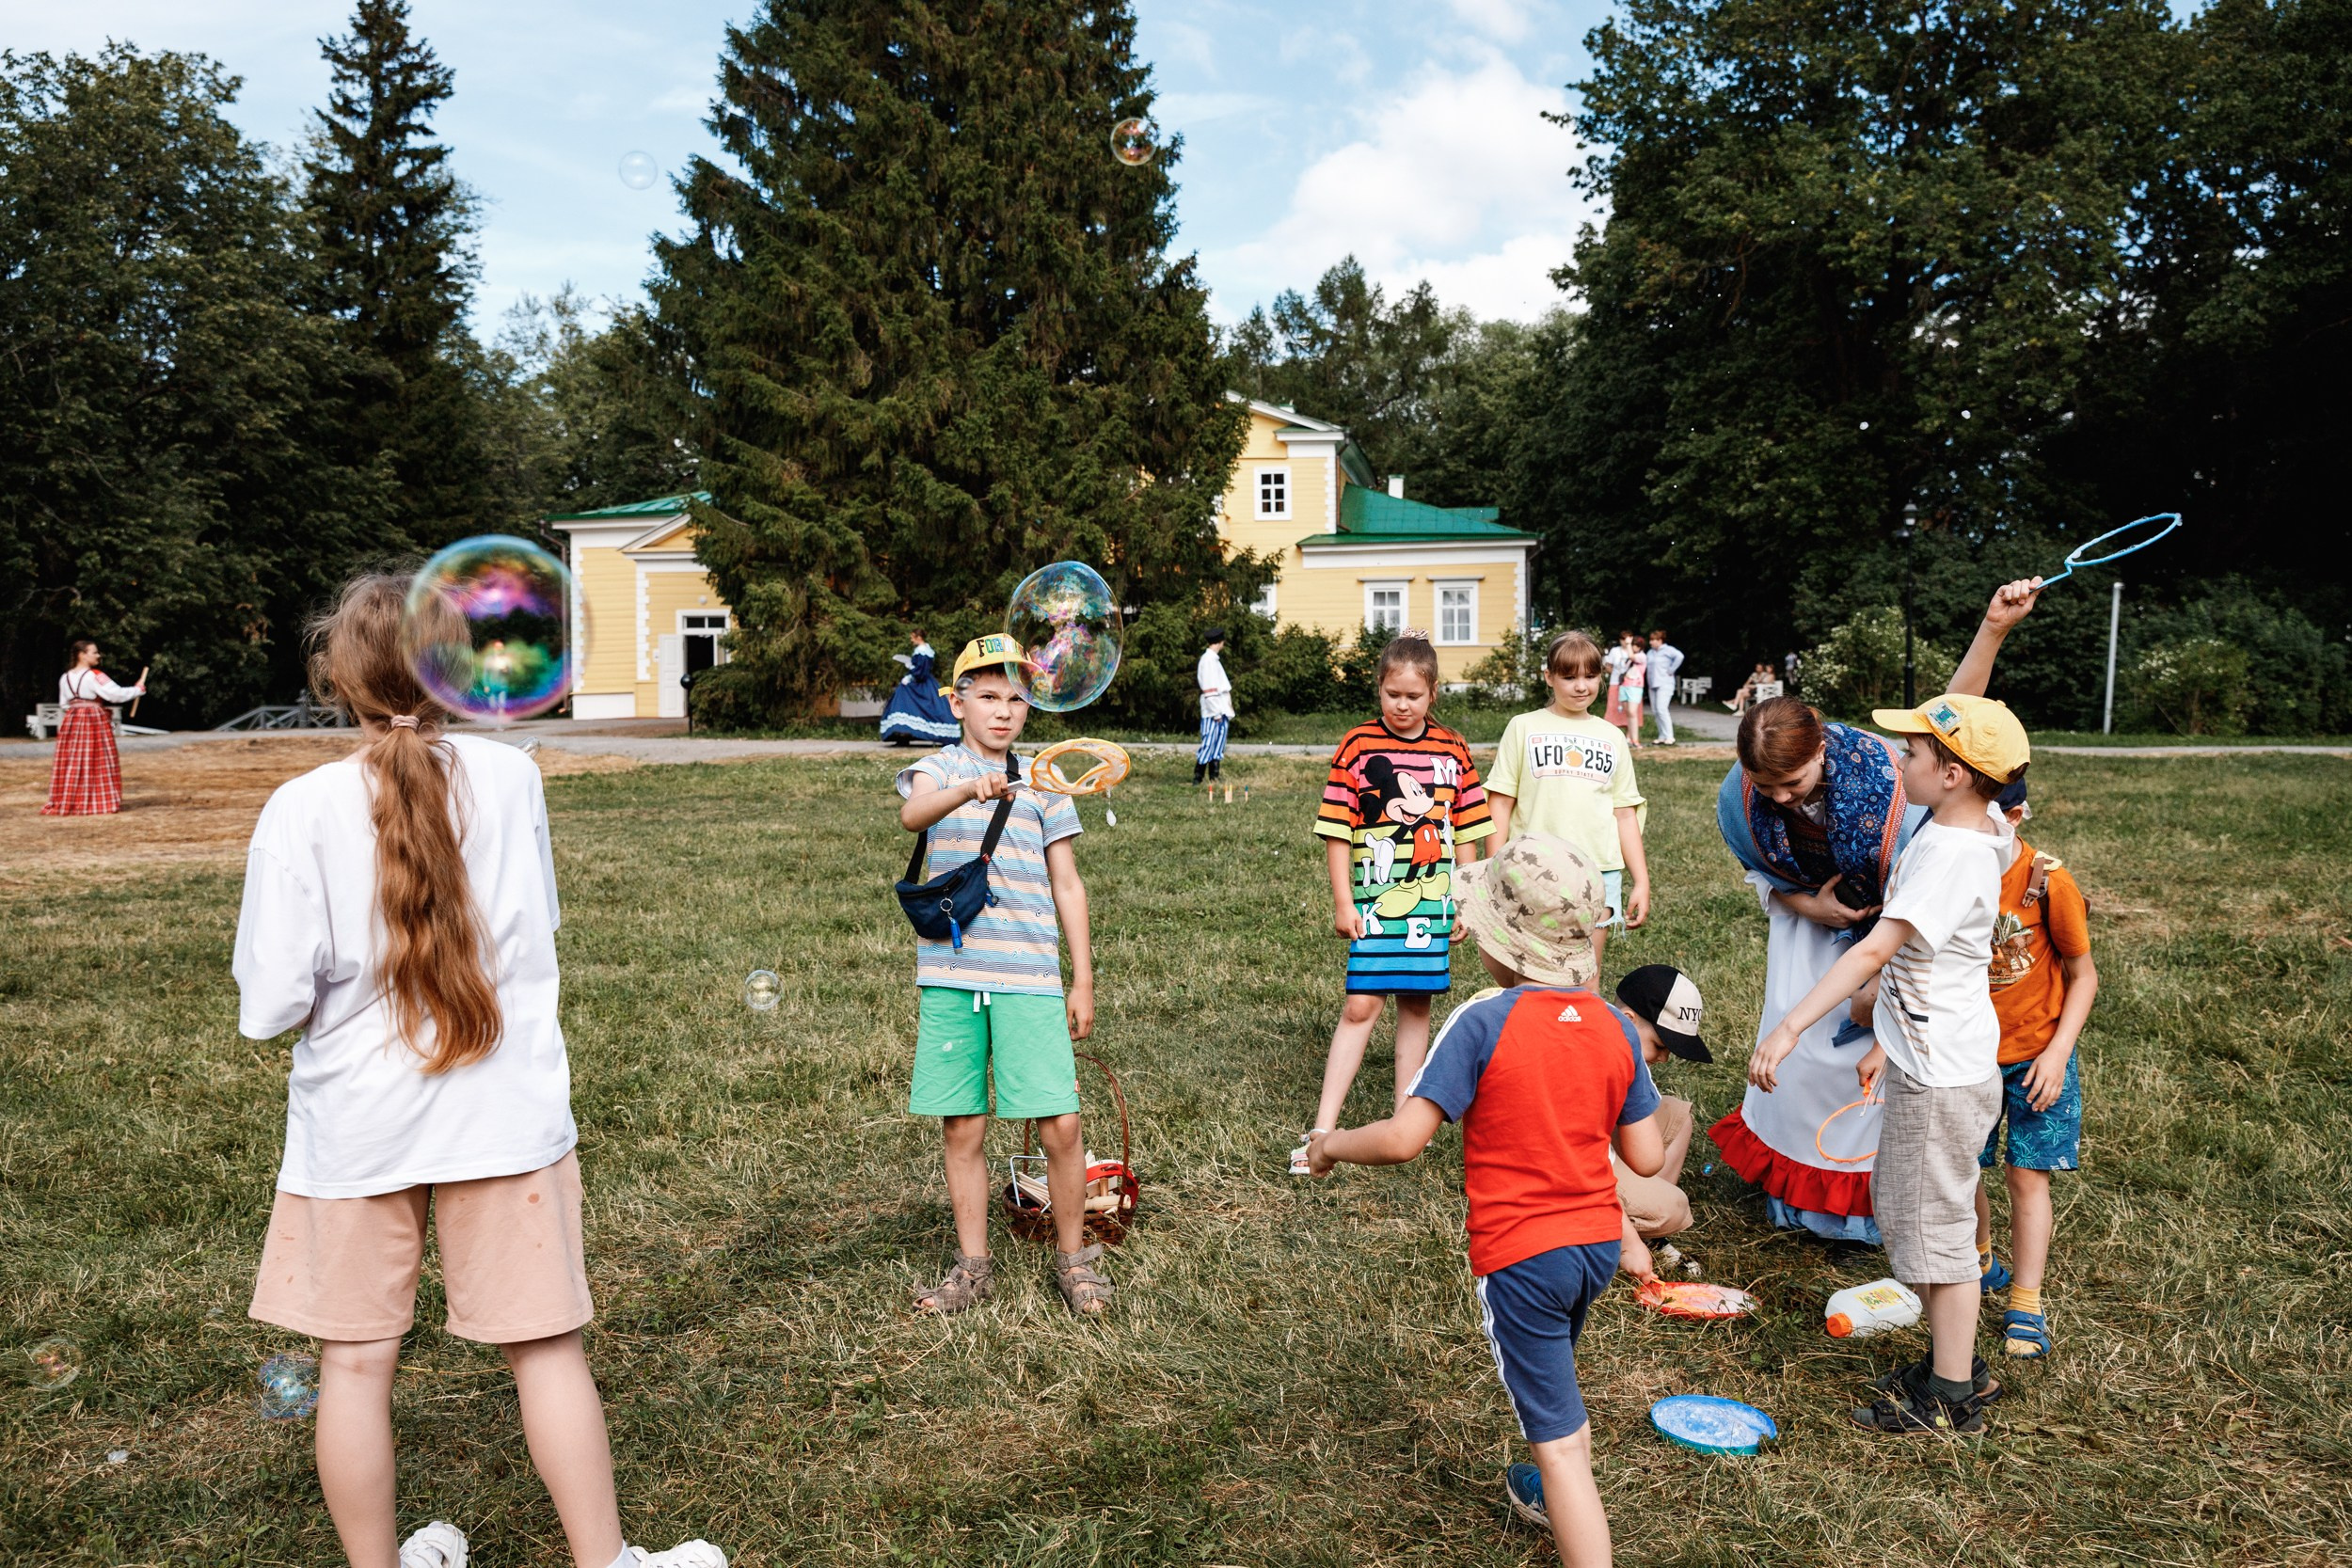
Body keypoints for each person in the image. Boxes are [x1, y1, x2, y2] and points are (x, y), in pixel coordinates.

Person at [232, 575, 724, 1568]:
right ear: (454, 671)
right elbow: (534, 928)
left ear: (336, 679)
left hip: (357, 1125)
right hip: (504, 1110)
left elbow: (268, 1005)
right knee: (545, 1347)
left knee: (356, 1363)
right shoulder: (512, 778)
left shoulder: (301, 807)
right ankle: (606, 1559)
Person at [1306, 832, 1662, 1567]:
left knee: (1559, 1442)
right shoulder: (1614, 1028)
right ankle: (1548, 1493)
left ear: (1502, 942)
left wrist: (1330, 1142)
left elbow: (1405, 1138)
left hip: (1523, 1257)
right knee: (1558, 1393)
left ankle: (1570, 1507)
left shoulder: (1480, 1019)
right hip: (1595, 1246)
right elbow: (1648, 1156)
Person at [1749, 691, 2029, 1433]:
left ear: (1957, 775)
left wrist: (1789, 1028)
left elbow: (1878, 950)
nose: (1897, 765)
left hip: (1942, 1078)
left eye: (1913, 755)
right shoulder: (1973, 827)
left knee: (1934, 1234)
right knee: (1924, 1221)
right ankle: (1953, 1364)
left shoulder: (1947, 852)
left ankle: (1952, 1390)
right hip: (1933, 1058)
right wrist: (1884, 1045)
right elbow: (1927, 971)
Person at [896, 634, 1113, 1316]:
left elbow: (1068, 884)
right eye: (987, 696)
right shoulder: (938, 767)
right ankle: (973, 1268)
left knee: (1061, 1123)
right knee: (963, 1125)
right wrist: (969, 786)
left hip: (1030, 977)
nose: (1003, 711)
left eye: (1016, 698)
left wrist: (1082, 979)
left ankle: (1074, 1260)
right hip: (955, 977)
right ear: (956, 701)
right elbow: (913, 813)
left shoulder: (1045, 781)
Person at [1708, 694, 1923, 1243]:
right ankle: (1794, 1199)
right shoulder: (1740, 799)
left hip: (1890, 939)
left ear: (1821, 751)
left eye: (1794, 783)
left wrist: (1879, 970)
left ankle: (1862, 1213)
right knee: (1801, 1064)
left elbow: (1923, 887)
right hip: (1806, 937)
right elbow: (1763, 878)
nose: (1779, 797)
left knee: (1861, 1074)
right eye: (1766, 786)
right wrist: (1810, 906)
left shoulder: (1888, 781)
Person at [1290, 631, 1493, 1176]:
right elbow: (1336, 830)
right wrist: (1342, 901)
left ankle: (1404, 1122)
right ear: (1378, 687)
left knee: (1417, 1004)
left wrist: (1464, 901)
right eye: (1392, 694)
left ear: (1432, 694)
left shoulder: (1453, 748)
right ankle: (1323, 1127)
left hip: (1435, 902)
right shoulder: (1357, 747)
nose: (1402, 706)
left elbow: (1468, 828)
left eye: (1414, 696)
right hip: (1375, 902)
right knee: (1361, 1005)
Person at [1485, 630, 1648, 965]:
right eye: (1569, 676)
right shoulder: (1523, 727)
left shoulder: (1612, 737)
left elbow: (1625, 814)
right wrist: (1492, 870)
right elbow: (1500, 804)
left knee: (1585, 977)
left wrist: (1641, 880)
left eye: (1590, 676)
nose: (1581, 686)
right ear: (1549, 677)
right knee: (1528, 975)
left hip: (1597, 873)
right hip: (1532, 871)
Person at [1609, 965, 1711, 1282]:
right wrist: (1628, 1242)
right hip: (1570, 1165)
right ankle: (1608, 1234)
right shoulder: (1598, 1060)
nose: (1664, 1058)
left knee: (1677, 1115)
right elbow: (1581, 1158)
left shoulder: (1623, 1047)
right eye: (1661, 1045)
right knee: (1673, 1208)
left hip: (1596, 1145)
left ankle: (1647, 1229)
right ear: (1629, 1020)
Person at [42, 639, 145, 816]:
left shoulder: (64, 677)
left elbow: (64, 704)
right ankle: (95, 800)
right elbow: (116, 694)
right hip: (92, 721)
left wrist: (78, 709)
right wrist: (137, 690)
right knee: (98, 758)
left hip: (72, 720)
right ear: (82, 655)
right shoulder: (95, 675)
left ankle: (71, 799)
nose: (98, 655)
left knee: (72, 761)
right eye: (94, 652)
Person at [879, 629, 958, 746]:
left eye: (912, 637)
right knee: (907, 706)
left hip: (920, 683)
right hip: (924, 682)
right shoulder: (926, 650)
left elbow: (921, 671)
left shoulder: (922, 651)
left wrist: (911, 673)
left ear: (919, 637)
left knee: (903, 703)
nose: (911, 640)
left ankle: (904, 737)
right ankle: (903, 736)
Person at [1195, 626, 1233, 785]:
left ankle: (1214, 777)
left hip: (1221, 709)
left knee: (1218, 745)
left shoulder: (1214, 660)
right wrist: (1216, 713)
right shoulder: (1208, 660)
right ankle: (1198, 777)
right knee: (1209, 743)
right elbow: (1209, 688)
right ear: (1220, 642)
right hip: (1213, 711)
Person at [1644, 629, 1683, 746]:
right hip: (1652, 684)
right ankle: (1662, 736)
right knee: (1656, 711)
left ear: (1660, 640)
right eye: (1650, 640)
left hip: (1665, 684)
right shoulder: (1650, 652)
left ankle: (1670, 737)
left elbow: (1680, 657)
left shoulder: (1668, 650)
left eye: (1653, 640)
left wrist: (1671, 670)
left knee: (1662, 709)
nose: (1651, 642)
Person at [1614, 635, 1647, 751]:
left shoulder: (1642, 657)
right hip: (1624, 686)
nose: (1634, 647)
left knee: (1632, 713)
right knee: (1628, 713)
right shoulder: (1629, 659)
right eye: (1633, 645)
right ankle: (1630, 738)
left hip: (1635, 687)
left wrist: (1628, 644)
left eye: (1636, 645)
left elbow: (1632, 656)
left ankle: (1635, 740)